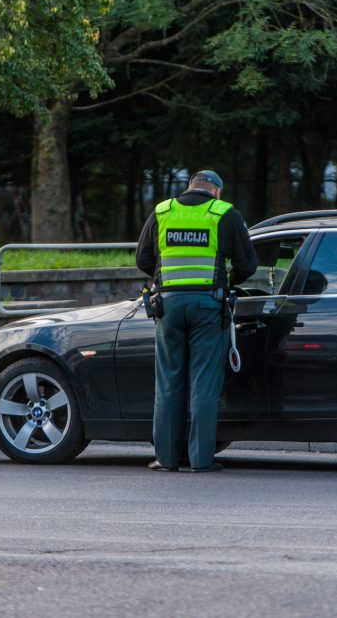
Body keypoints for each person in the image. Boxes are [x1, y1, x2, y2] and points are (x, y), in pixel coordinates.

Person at [136, 170, 258, 472]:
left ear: (190, 187)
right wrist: (226, 280)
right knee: (204, 383)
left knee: (168, 383)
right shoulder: (223, 213)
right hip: (207, 305)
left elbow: (143, 259)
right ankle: (202, 460)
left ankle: (165, 459)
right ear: (216, 191)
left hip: (168, 305)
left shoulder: (163, 211)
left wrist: (166, 279)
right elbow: (248, 264)